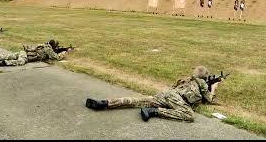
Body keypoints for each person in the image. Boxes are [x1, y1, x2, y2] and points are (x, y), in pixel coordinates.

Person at [85, 66, 223, 122]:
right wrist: (214, 86)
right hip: (176, 99)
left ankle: (104, 103)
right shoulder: (203, 84)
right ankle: (154, 112)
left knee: (138, 100)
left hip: (166, 94)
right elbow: (210, 99)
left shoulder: (186, 79)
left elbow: (174, 87)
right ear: (205, 77)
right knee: (189, 115)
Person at [0, 39, 72, 68]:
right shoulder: (48, 49)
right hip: (26, 56)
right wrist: (65, 52)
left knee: (3, 55)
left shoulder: (43, 45)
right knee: (19, 62)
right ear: (53, 46)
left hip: (23, 52)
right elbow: (57, 58)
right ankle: (1, 64)